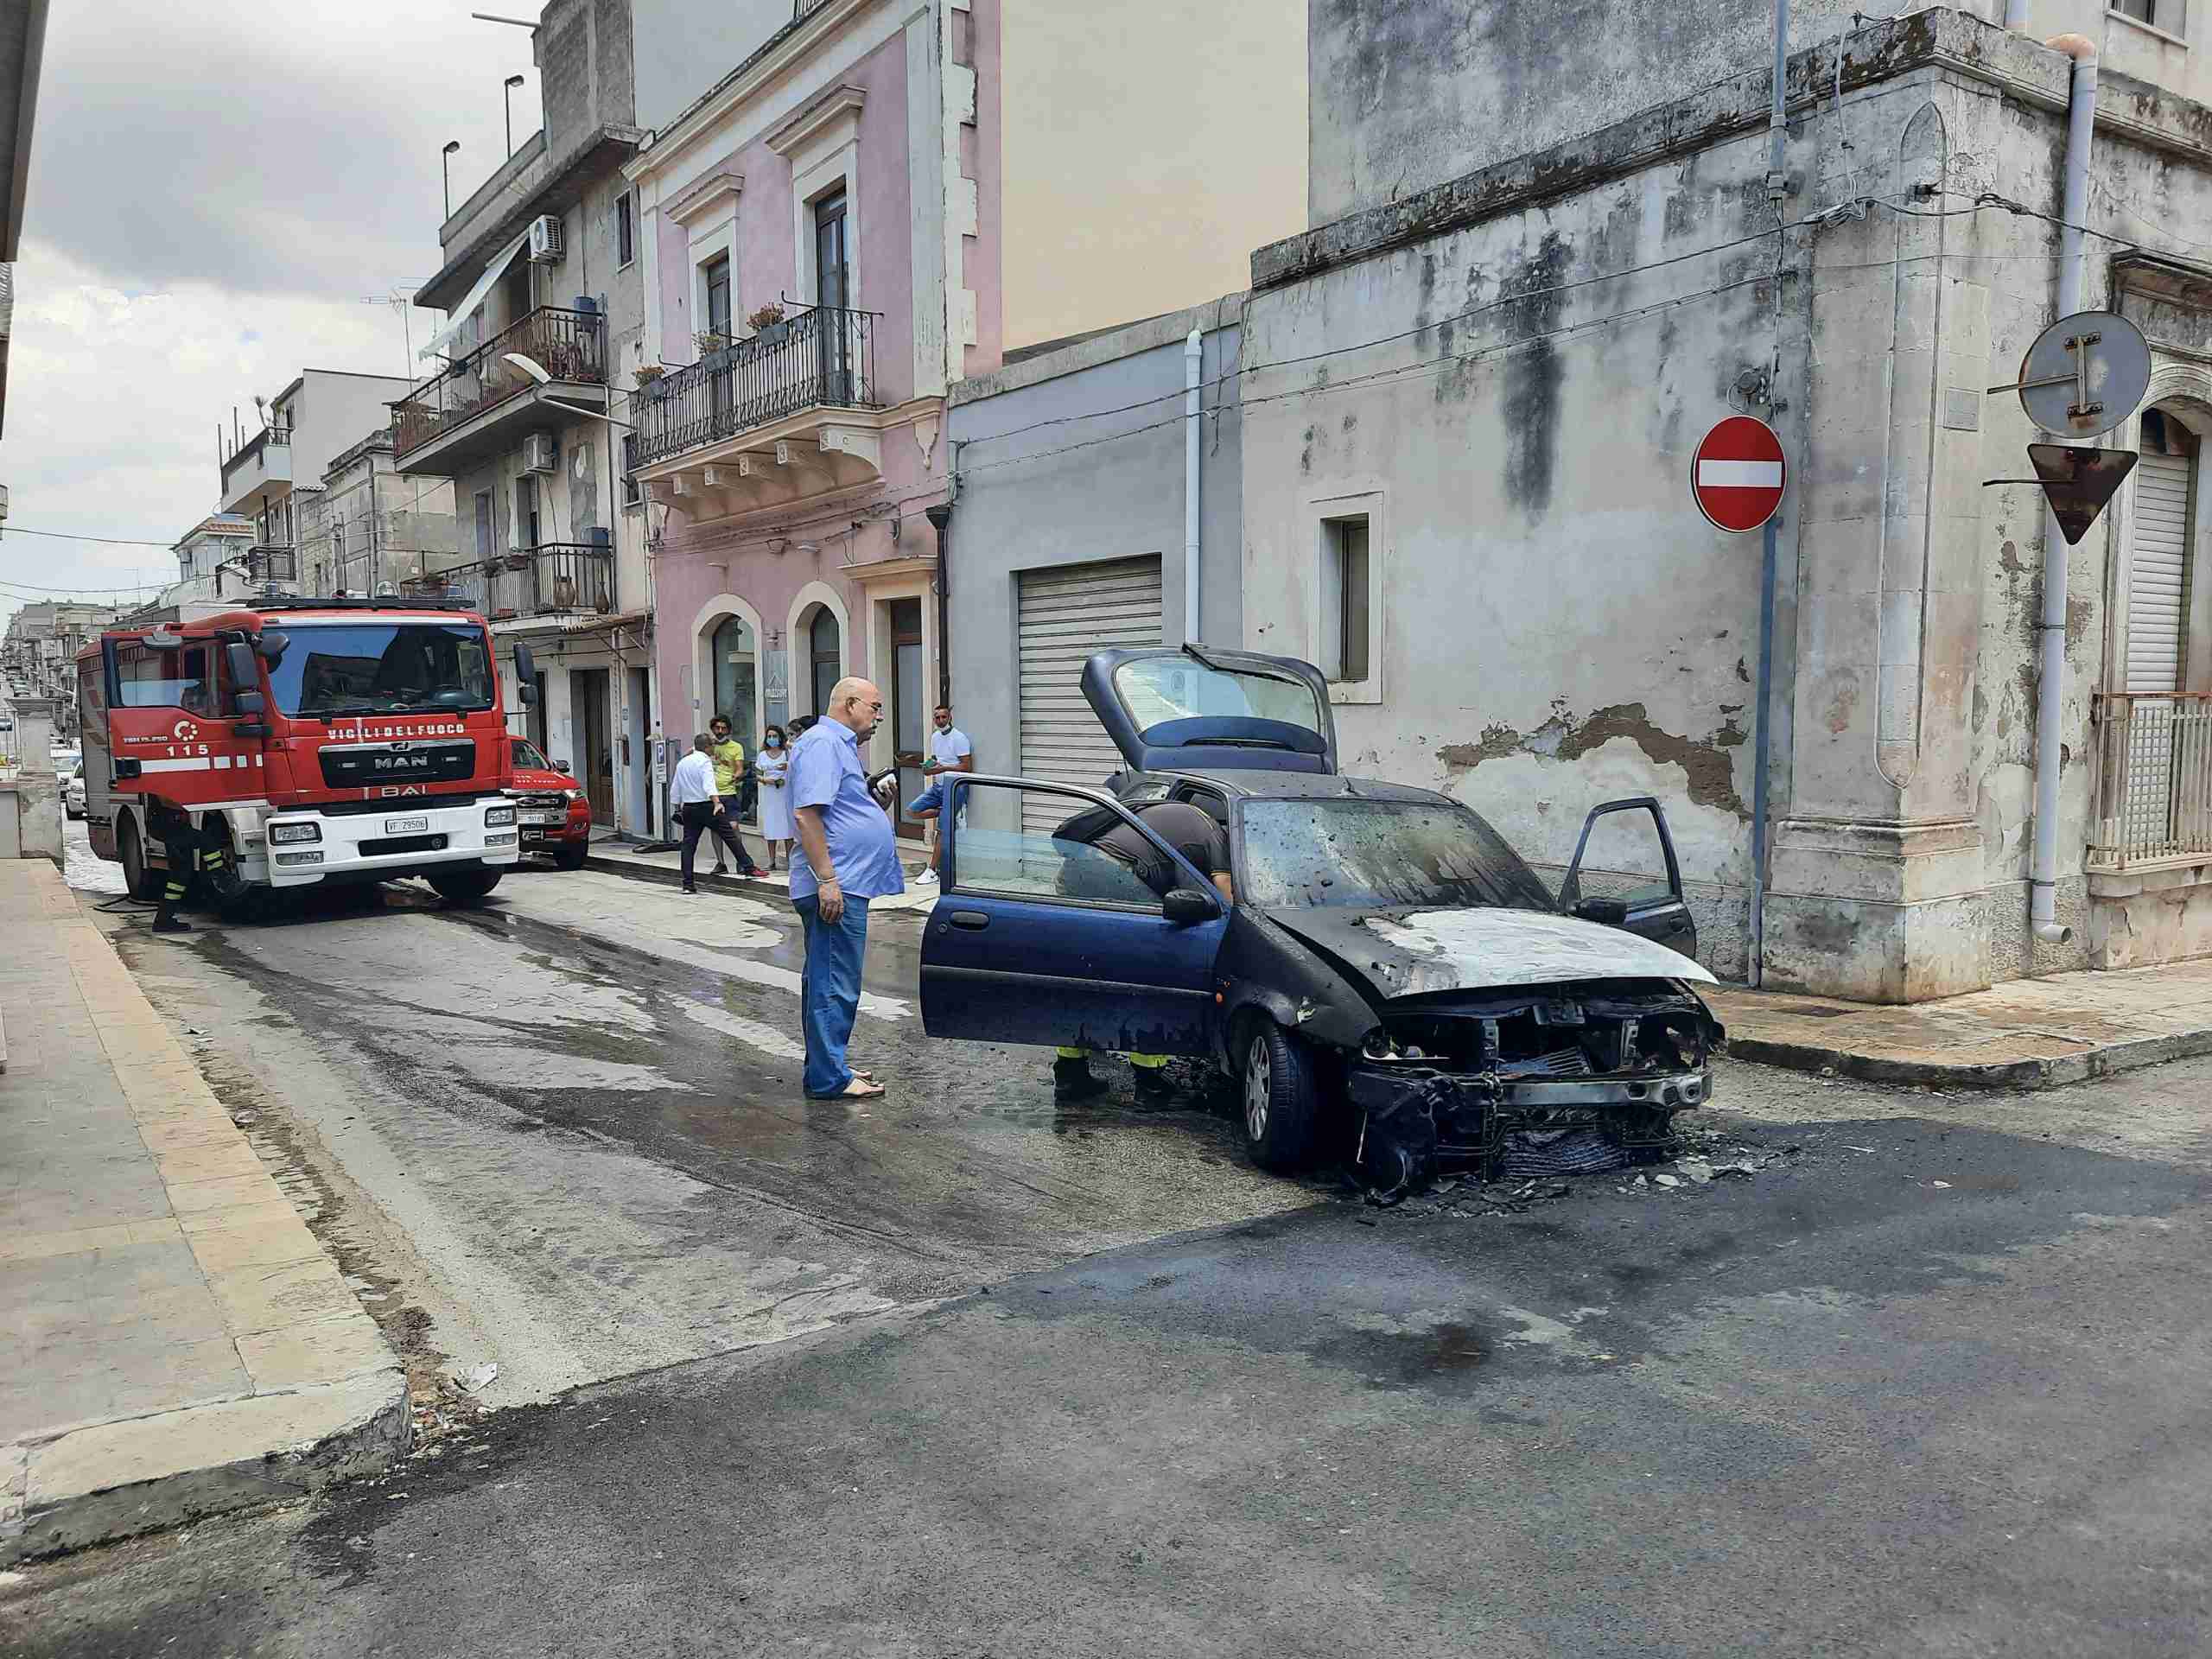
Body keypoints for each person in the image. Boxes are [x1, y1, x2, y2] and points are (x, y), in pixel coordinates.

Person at [1053, 800, 1235, 1105]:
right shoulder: (1214, 833)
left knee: (1085, 977)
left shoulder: (1163, 810)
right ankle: (1150, 1084)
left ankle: (1069, 1075)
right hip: (1117, 879)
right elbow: (1225, 893)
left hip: (1074, 872)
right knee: (1149, 979)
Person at [789, 677, 906, 1100]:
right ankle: (828, 1078)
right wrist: (828, 880)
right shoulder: (823, 743)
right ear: (850, 703)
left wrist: (875, 807)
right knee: (833, 981)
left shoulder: (837, 747)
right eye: (875, 706)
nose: (879, 716)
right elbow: (806, 816)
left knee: (827, 977)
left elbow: (836, 814)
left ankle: (827, 1064)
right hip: (838, 882)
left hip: (846, 880)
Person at [671, 733, 754, 893]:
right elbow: (709, 783)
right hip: (707, 806)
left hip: (688, 807)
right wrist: (717, 802)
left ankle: (687, 884)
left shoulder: (683, 762)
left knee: (688, 846)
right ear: (707, 746)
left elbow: (676, 787)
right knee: (729, 836)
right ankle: (748, 866)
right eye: (712, 745)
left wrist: (677, 807)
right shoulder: (705, 762)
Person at [913, 704, 973, 887]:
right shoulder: (935, 737)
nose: (940, 721)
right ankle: (945, 813)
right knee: (913, 811)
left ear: (950, 718)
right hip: (938, 786)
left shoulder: (959, 738)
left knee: (941, 832)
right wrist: (928, 768)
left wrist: (944, 769)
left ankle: (932, 871)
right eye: (937, 718)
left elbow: (966, 767)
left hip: (955, 786)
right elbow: (936, 759)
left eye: (943, 717)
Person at [146, 796, 219, 936]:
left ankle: (163, 920)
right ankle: (222, 879)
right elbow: (166, 801)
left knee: (179, 875)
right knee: (206, 842)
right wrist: (193, 805)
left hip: (173, 825)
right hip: (167, 825)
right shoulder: (161, 781)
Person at [705, 715, 763, 878]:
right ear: (713, 729)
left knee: (734, 827)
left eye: (723, 728)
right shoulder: (708, 746)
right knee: (715, 830)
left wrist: (737, 776)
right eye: (717, 728)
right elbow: (693, 755)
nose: (720, 731)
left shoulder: (736, 747)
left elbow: (739, 767)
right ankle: (720, 862)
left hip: (729, 791)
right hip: (711, 794)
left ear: (728, 730)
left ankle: (740, 860)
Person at [755, 723, 794, 870]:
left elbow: (796, 769)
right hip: (769, 794)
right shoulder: (762, 755)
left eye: (775, 736)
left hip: (784, 794)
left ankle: (790, 860)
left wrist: (787, 768)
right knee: (771, 827)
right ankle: (772, 861)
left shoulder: (787, 753)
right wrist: (765, 780)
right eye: (769, 736)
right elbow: (758, 774)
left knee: (787, 827)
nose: (772, 739)